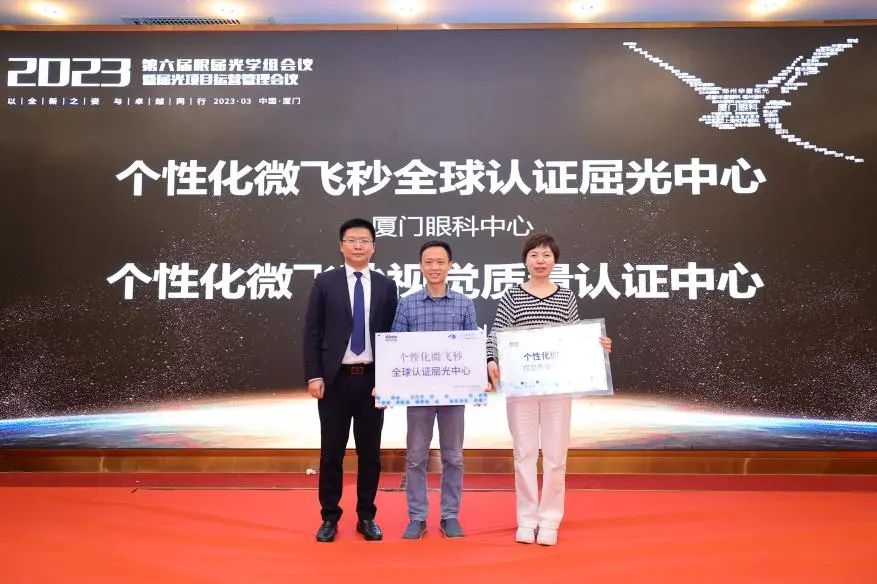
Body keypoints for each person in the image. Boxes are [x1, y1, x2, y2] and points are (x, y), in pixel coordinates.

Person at [486, 233, 612, 546]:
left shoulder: (565, 297)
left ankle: (550, 519)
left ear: (555, 260)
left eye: (546, 255)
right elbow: (496, 335)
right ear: (525, 260)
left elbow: (574, 339)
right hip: (521, 388)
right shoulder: (512, 296)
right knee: (524, 454)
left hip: (557, 387)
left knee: (556, 456)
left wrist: (597, 346)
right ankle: (526, 519)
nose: (540, 261)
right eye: (534, 255)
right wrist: (491, 358)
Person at [303, 218, 399, 543]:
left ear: (374, 247)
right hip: (335, 381)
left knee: (370, 454)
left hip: (372, 380)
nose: (358, 246)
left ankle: (366, 516)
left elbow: (393, 335)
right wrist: (314, 374)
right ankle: (329, 517)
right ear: (341, 245)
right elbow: (312, 331)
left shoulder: (386, 286)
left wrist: (389, 379)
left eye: (364, 240)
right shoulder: (325, 282)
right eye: (352, 240)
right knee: (331, 453)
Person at [389, 240, 478, 540]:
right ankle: (417, 517)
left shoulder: (464, 304)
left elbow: (471, 350)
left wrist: (475, 382)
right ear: (420, 266)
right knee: (416, 457)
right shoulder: (407, 303)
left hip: (453, 396)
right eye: (428, 262)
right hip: (419, 396)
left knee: (454, 457)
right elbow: (395, 349)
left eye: (440, 262)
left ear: (450, 265)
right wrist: (388, 385)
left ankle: (450, 515)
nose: (434, 267)